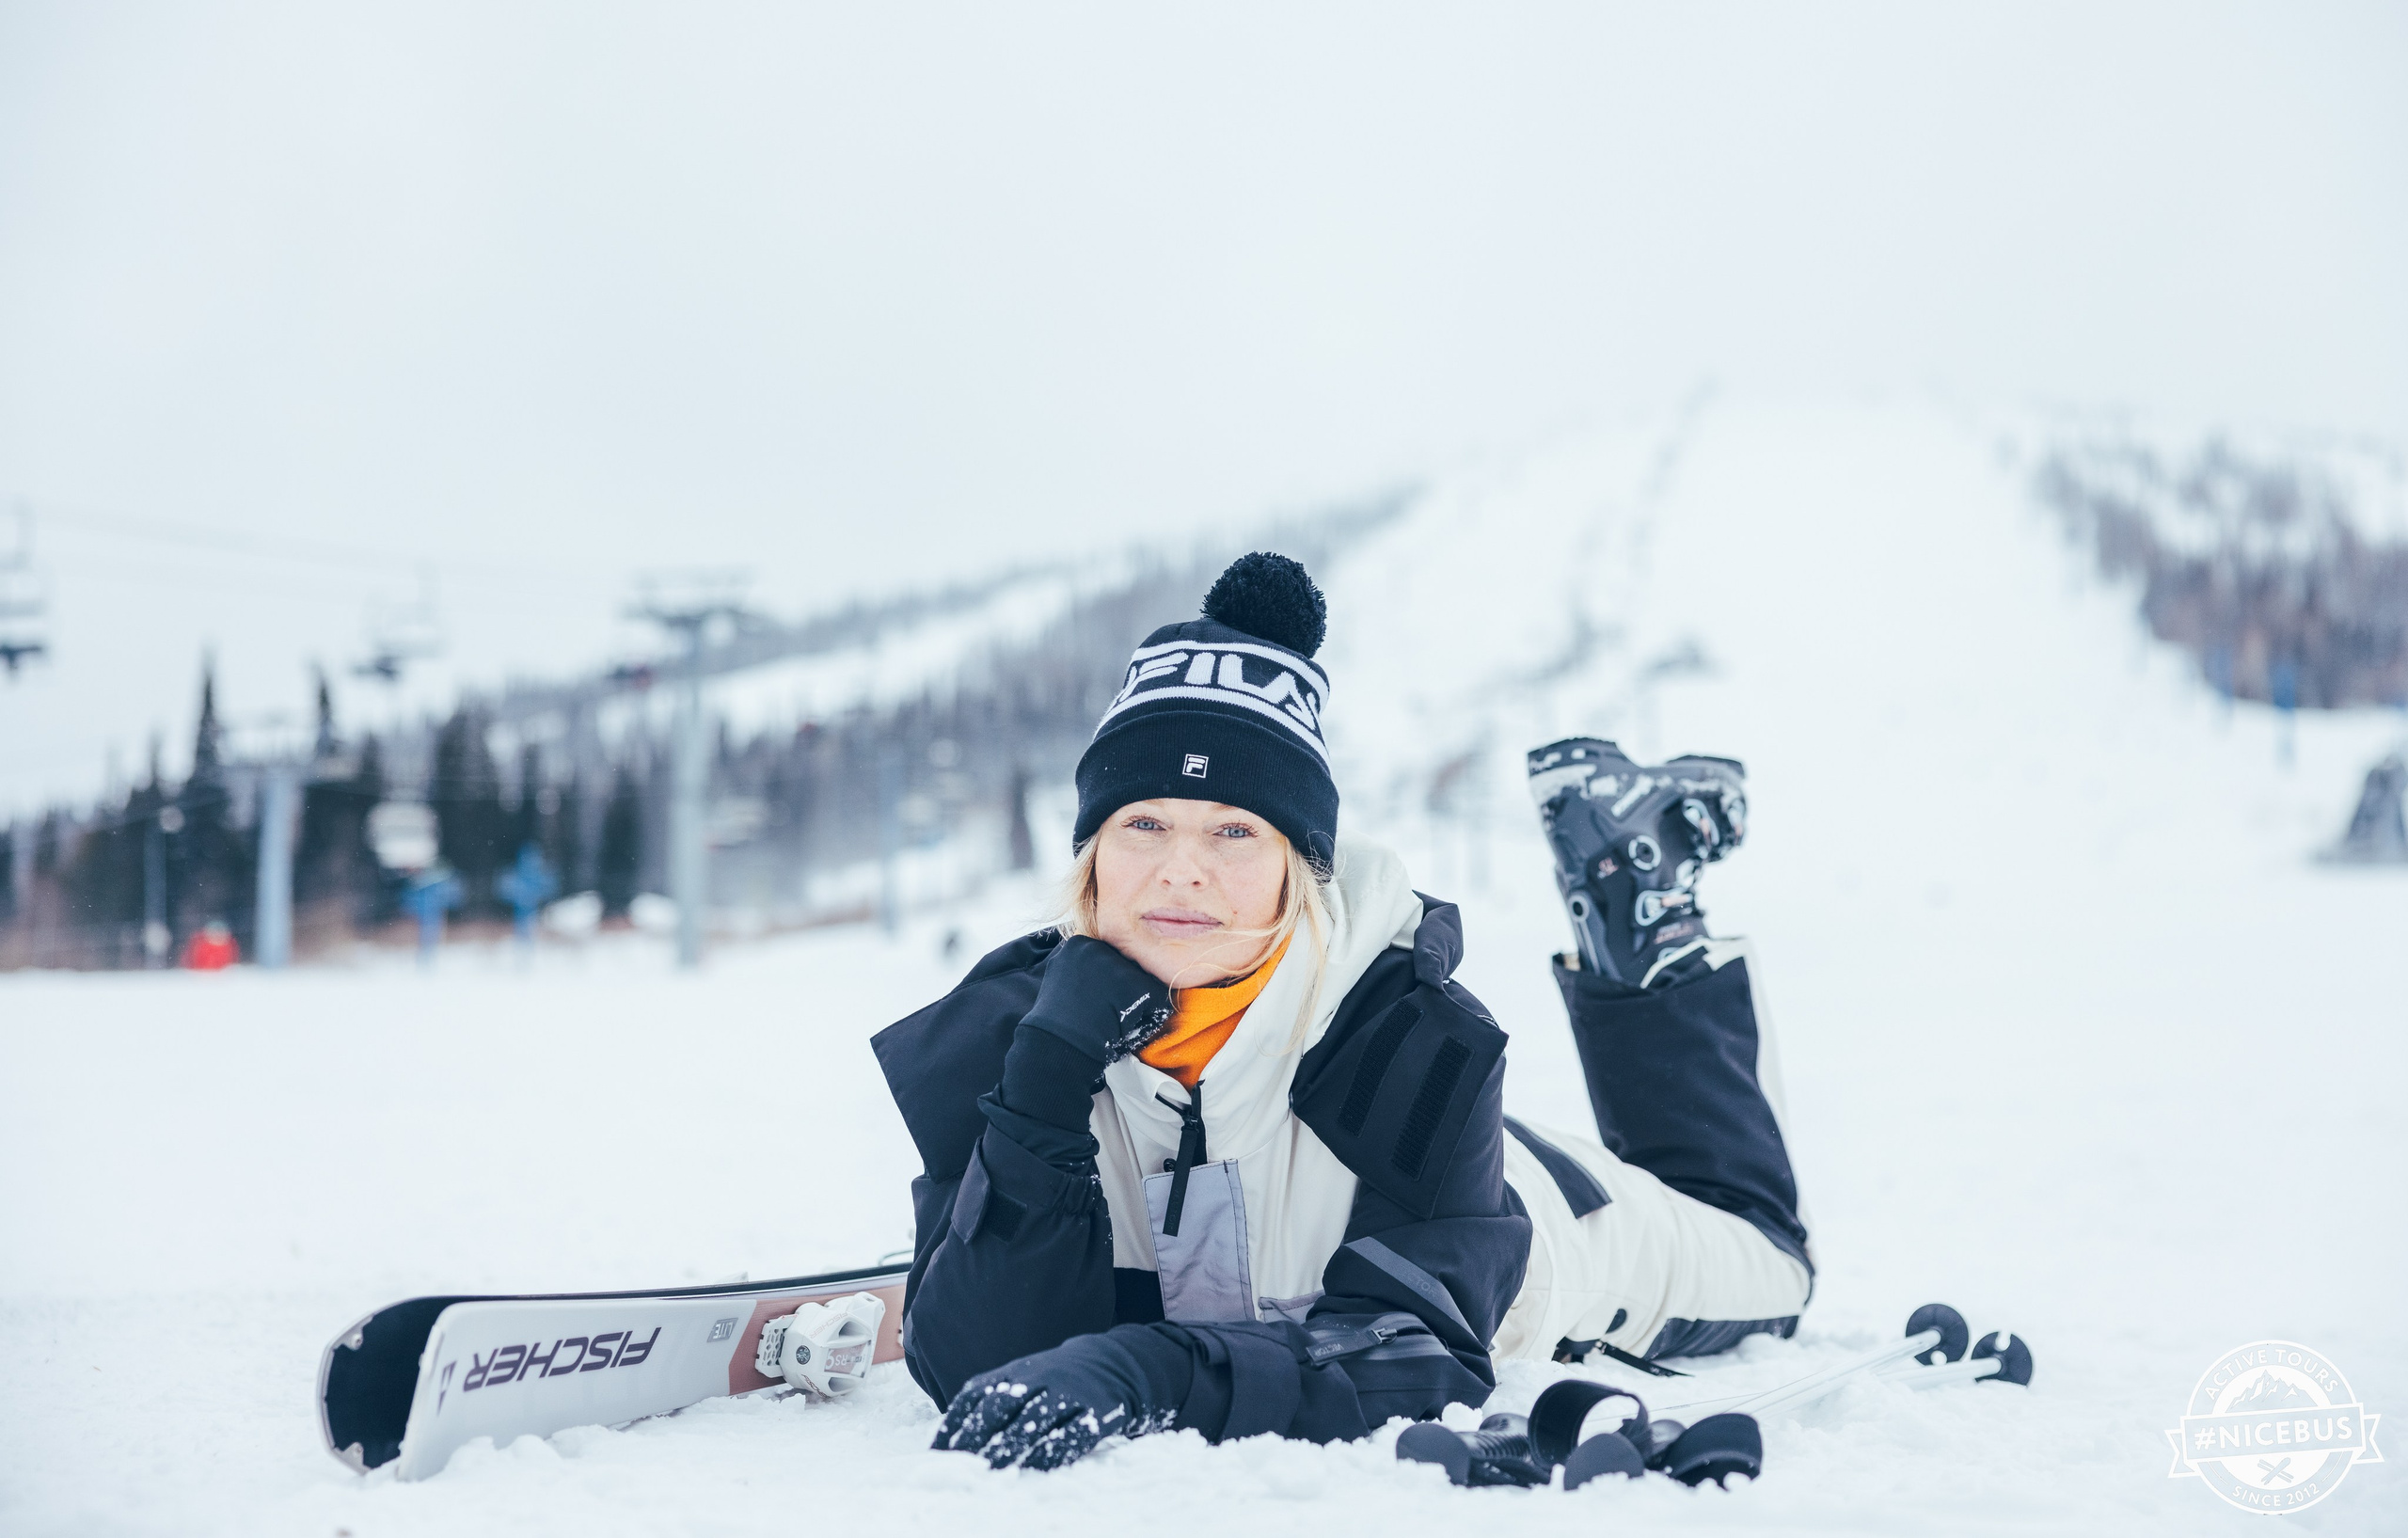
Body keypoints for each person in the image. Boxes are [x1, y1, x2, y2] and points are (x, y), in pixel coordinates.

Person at [873, 553, 1813, 1470]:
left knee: (1768, 1261)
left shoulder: (1407, 1036)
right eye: (1143, 823)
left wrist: (1152, 1366)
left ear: (1299, 868)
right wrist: (1045, 1081)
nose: (1181, 869)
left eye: (1234, 831)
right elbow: (977, 1365)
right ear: (1091, 856)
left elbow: (1414, 1356)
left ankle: (1640, 928)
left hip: (1543, 1231)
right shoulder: (1016, 1037)